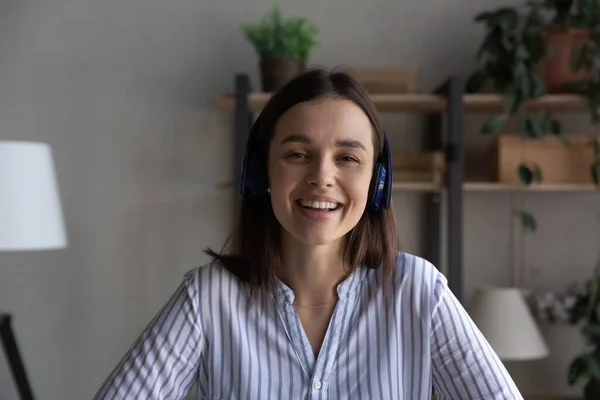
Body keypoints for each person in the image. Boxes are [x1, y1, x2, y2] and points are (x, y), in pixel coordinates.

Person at [93, 68, 523, 400]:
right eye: (298, 154)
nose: (322, 177)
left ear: (378, 182)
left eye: (348, 158)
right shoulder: (208, 299)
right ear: (261, 173)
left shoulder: (418, 294)